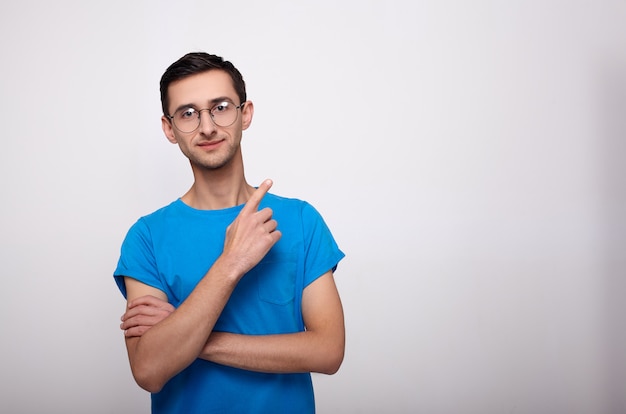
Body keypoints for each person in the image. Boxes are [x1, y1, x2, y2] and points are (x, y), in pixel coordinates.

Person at [113, 52, 345, 414]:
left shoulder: (301, 220)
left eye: (220, 107)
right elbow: (149, 368)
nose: (206, 126)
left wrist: (190, 337)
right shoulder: (146, 237)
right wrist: (232, 262)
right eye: (188, 113)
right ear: (169, 129)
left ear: (245, 113)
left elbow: (328, 351)